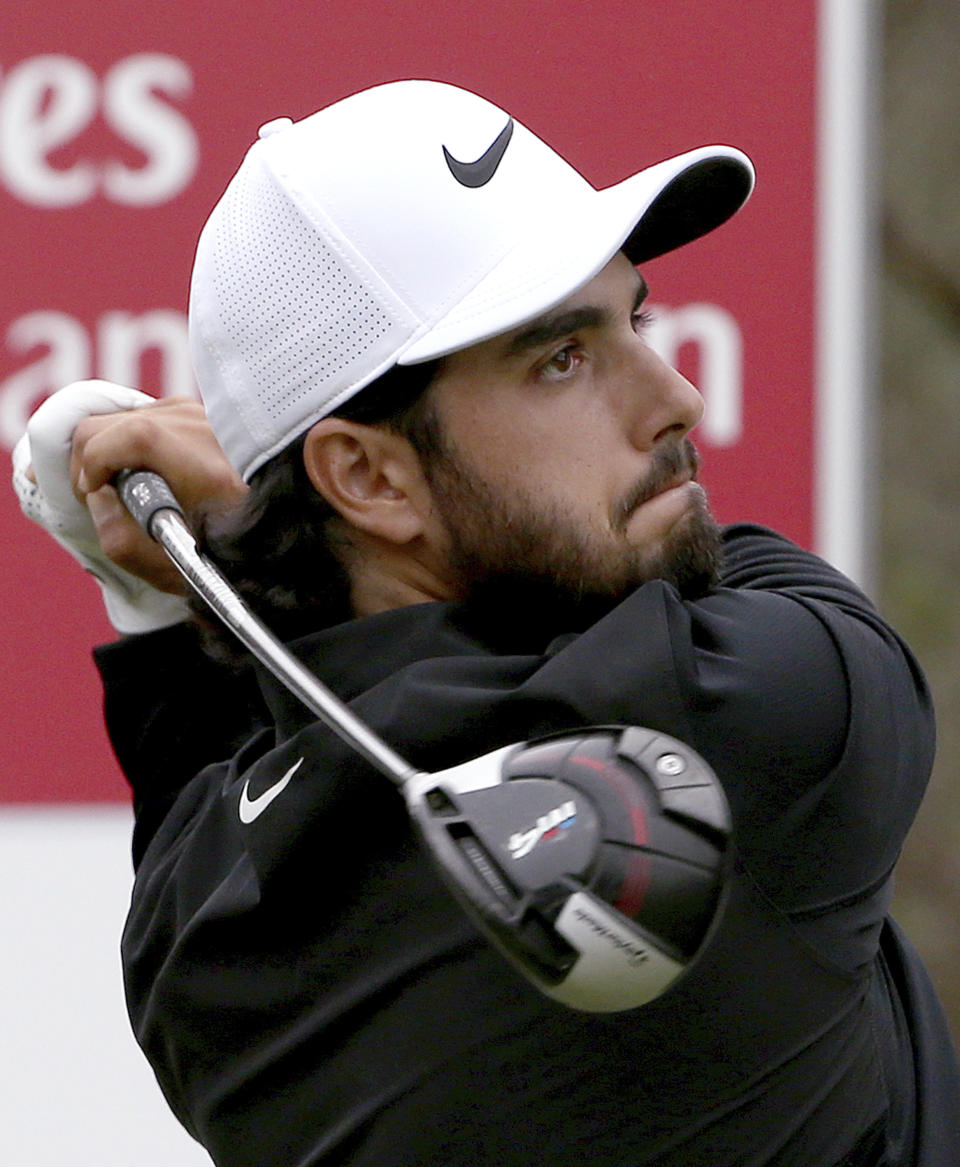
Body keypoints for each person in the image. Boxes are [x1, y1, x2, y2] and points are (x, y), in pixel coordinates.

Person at [14, 80, 960, 1166]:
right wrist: (199, 560)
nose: (675, 398)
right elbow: (758, 579)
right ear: (367, 476)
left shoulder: (201, 950)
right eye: (562, 358)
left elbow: (214, 753)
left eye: (635, 320)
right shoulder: (761, 721)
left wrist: (177, 581)